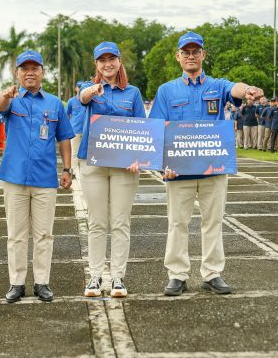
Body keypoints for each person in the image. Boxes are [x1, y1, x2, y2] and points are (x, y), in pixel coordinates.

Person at [148, 31, 263, 296]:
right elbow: (157, 128)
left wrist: (247, 90)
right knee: (178, 223)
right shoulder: (167, 90)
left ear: (203, 55)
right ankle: (177, 274)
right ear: (178, 57)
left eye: (195, 52)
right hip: (179, 169)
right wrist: (160, 163)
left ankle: (212, 273)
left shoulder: (216, 85)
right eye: (185, 52)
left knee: (213, 221)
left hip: (213, 166)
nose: (190, 56)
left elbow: (235, 88)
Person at [0, 50, 73, 303]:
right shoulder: (12, 100)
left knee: (44, 234)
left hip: (44, 178)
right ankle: (16, 283)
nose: (30, 72)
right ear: (17, 73)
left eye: (35, 68)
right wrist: (5, 95)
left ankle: (42, 282)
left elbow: (64, 139)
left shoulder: (54, 103)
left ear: (42, 72)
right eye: (24, 68)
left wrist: (67, 169)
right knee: (16, 234)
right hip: (15, 177)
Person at [77, 42, 145, 298]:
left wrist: (138, 157)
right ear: (96, 64)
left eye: (112, 59)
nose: (107, 64)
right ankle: (95, 277)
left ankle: (117, 278)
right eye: (102, 60)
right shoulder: (89, 88)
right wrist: (92, 91)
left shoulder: (133, 93)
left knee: (120, 222)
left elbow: (142, 127)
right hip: (93, 164)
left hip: (124, 167)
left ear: (119, 62)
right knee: (96, 222)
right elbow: (82, 99)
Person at [66, 81, 86, 173]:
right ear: (76, 89)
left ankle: (82, 171)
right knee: (74, 153)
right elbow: (66, 115)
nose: (80, 88)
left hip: (87, 131)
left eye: (82, 87)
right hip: (75, 130)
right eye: (79, 87)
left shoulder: (88, 100)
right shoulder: (71, 101)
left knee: (85, 153)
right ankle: (74, 172)